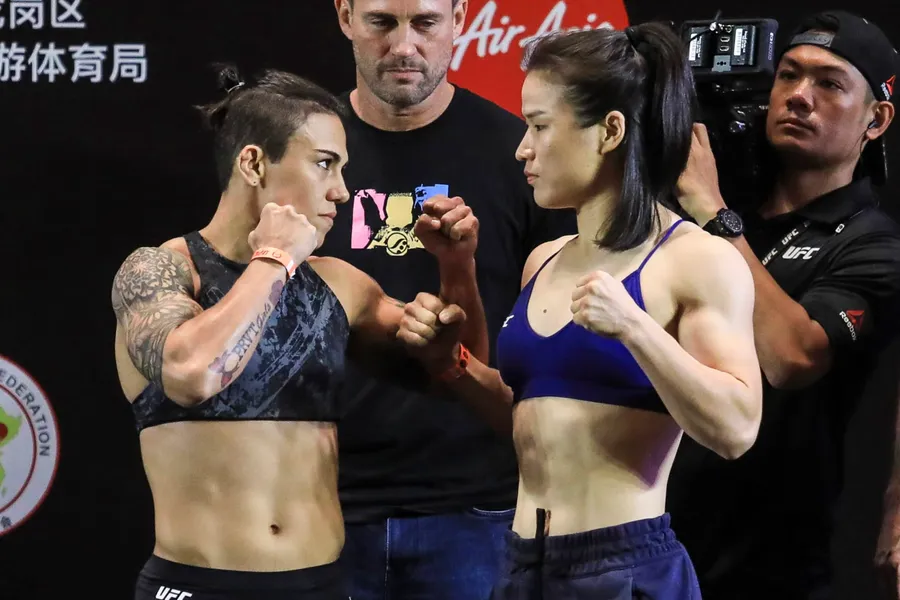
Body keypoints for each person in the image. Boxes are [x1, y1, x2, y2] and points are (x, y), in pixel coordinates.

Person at [397, 23, 764, 599]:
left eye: (540, 126)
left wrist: (635, 327)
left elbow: (737, 429)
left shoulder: (696, 259)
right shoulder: (543, 260)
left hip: (623, 565)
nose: (523, 148)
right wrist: (453, 363)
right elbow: (532, 420)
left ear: (610, 131)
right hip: (522, 566)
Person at [111, 65, 486, 600]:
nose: (342, 192)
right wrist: (274, 257)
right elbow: (193, 375)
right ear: (253, 164)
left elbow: (460, 376)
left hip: (320, 583)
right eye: (324, 164)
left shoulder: (340, 285)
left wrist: (456, 267)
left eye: (343, 169)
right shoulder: (162, 270)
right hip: (200, 585)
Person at [317, 1, 576, 598]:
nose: (404, 46)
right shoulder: (304, 151)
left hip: (478, 504)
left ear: (460, 17)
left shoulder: (521, 155)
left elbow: (554, 343)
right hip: (322, 501)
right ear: (345, 16)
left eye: (426, 23)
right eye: (381, 22)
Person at [668, 10, 900, 599]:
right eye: (789, 75)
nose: (799, 95)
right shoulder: (707, 208)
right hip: (653, 545)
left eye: (829, 83)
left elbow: (793, 357)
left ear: (876, 120)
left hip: (772, 564)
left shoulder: (871, 242)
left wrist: (714, 216)